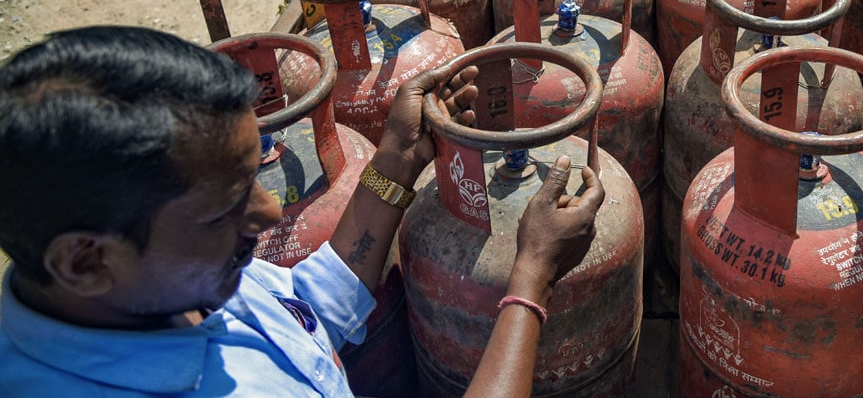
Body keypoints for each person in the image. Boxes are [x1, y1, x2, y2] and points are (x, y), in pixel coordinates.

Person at [0, 26, 604, 397]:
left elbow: (306, 309)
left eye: (251, 180)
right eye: (226, 206)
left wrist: (396, 159)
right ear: (84, 261)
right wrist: (531, 278)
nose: (266, 211)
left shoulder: (164, 282)